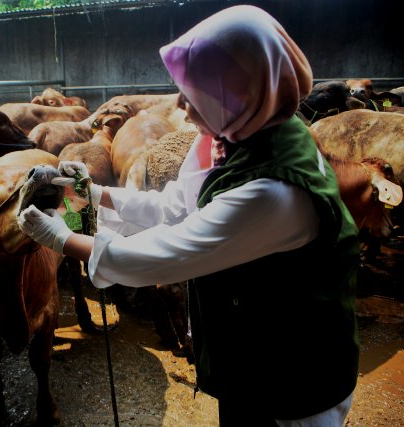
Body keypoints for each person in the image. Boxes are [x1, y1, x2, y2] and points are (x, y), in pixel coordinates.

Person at [18, 5, 360, 426]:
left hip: (296, 378)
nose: (180, 104)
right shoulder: (233, 134)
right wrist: (95, 193)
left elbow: (164, 255)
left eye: (197, 91)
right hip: (249, 357)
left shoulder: (275, 192)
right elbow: (174, 206)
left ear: (241, 92)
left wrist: (61, 238)